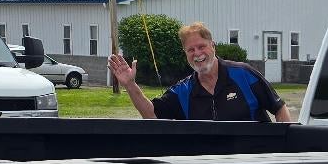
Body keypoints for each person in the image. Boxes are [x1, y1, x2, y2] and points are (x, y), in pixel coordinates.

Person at [108, 22, 291, 122]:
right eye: (191, 50)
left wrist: (283, 151)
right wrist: (130, 85)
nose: (197, 54)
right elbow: (151, 114)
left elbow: (279, 109)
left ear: (212, 46)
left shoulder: (244, 75)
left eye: (201, 46)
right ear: (185, 54)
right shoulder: (183, 92)